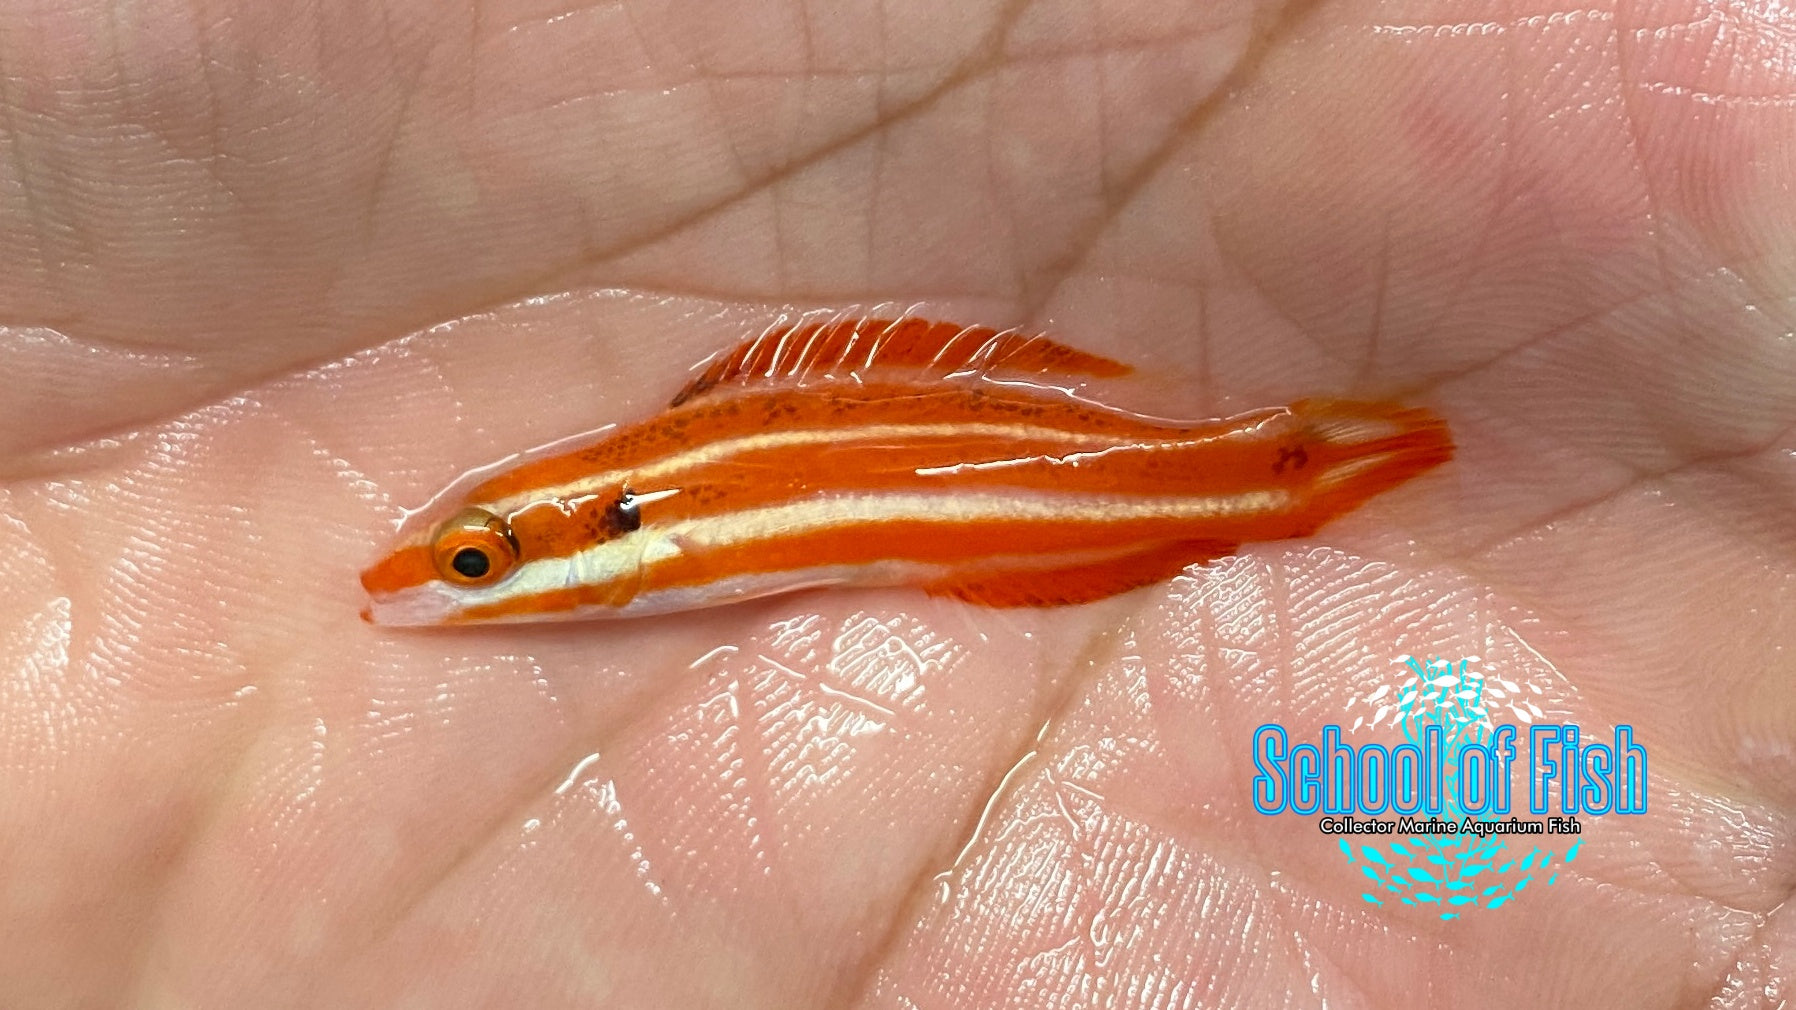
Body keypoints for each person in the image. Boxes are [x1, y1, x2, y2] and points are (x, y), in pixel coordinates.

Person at [0, 0, 1788, 1005]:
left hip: (1066, 477)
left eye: (473, 563)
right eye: (468, 559)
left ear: (572, 534)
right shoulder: (609, 534)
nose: (431, 583)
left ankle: (1293, 468)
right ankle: (1285, 472)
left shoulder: (647, 513)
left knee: (1213, 479)